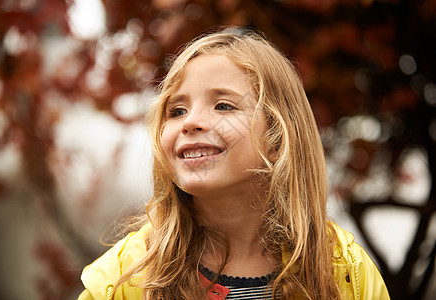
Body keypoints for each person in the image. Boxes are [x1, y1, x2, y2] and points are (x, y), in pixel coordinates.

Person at [78, 27, 390, 300]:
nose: (191, 122)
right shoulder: (123, 278)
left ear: (277, 136)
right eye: (176, 111)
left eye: (223, 105)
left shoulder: (344, 273)